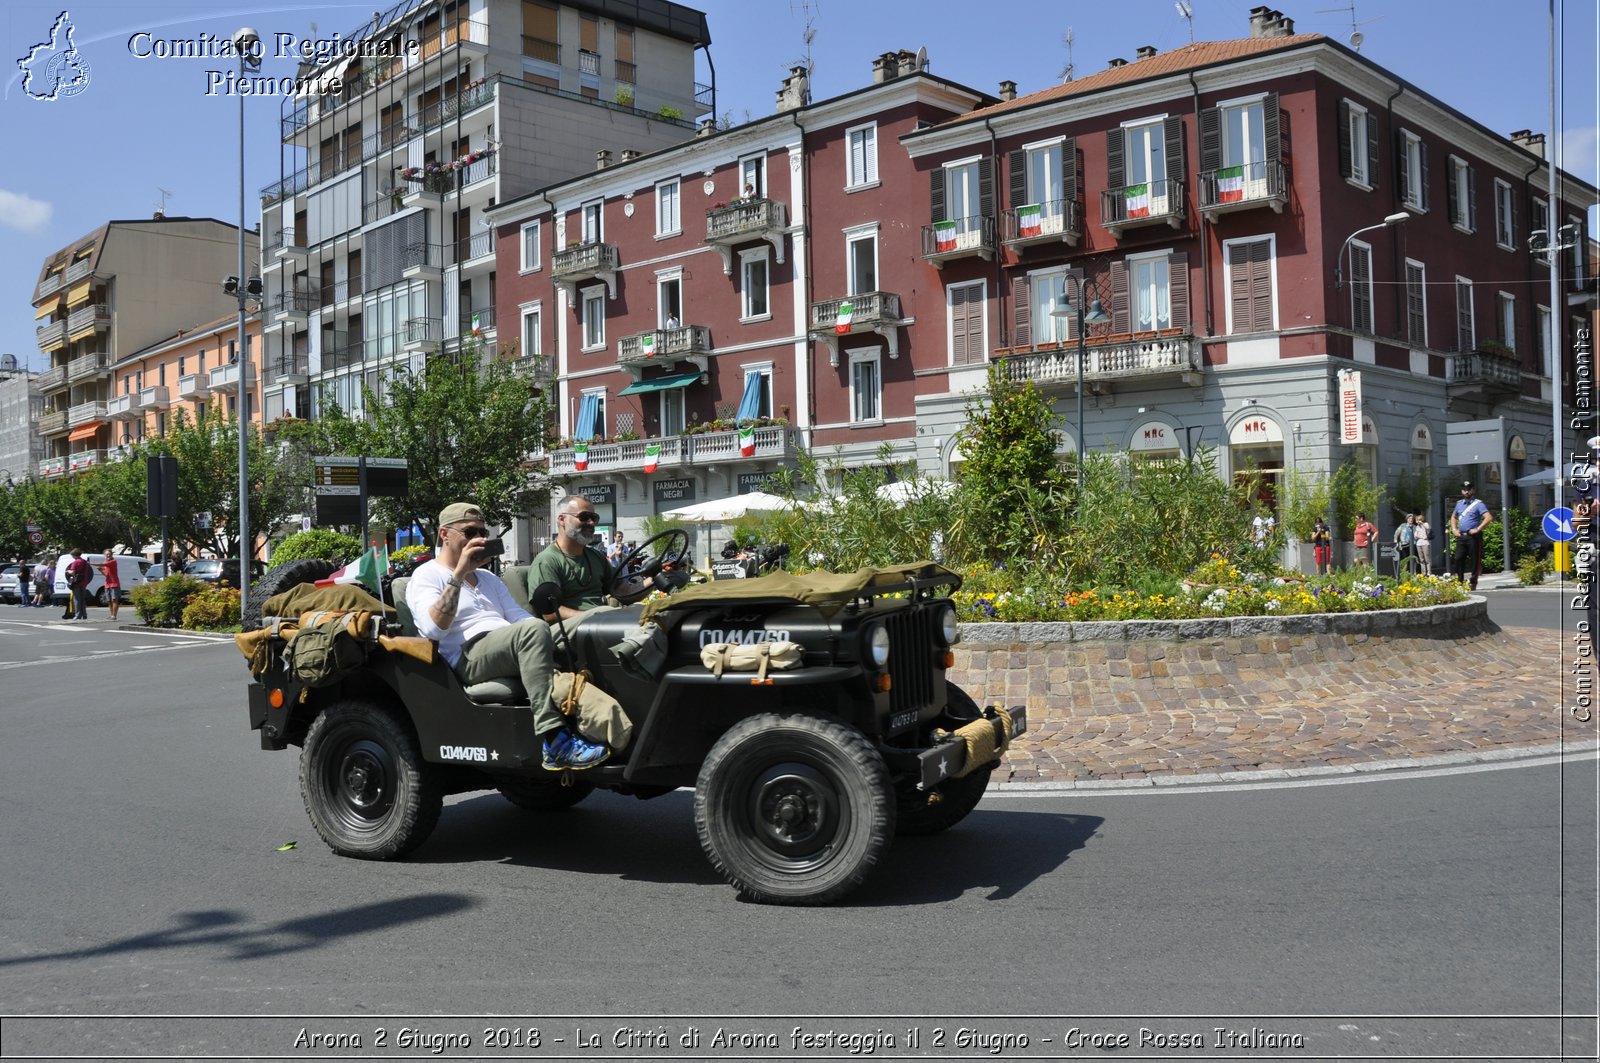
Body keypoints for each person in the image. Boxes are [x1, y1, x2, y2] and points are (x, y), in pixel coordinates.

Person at [406, 502, 607, 771]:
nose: (479, 539)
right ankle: (554, 739)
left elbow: (519, 617)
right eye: (470, 533)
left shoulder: (488, 577)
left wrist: (548, 635)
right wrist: (459, 574)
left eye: (482, 531)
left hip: (508, 644)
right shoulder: (426, 575)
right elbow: (433, 630)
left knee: (580, 628)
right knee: (534, 630)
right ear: (445, 534)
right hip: (469, 656)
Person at [526, 494, 664, 620]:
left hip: (601, 623)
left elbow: (622, 591)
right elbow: (550, 613)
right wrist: (597, 616)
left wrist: (655, 579)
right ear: (562, 519)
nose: (592, 523)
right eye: (584, 517)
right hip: (571, 630)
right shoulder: (547, 561)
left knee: (655, 616)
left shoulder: (595, 556)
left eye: (594, 518)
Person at [1450, 481, 1493, 590]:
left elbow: (1488, 517)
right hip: (1461, 536)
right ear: (1462, 491)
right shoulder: (1459, 504)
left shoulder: (1478, 504)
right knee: (1458, 558)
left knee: (1475, 560)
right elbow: (1453, 517)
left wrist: (1478, 529)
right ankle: (1459, 581)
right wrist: (1454, 529)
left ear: (1473, 490)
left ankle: (1473, 582)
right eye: (1464, 489)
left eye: (1469, 489)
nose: (1466, 491)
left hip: (1473, 536)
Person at [65, 548, 92, 620]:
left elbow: (73, 572)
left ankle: (77, 615)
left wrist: (68, 571)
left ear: (74, 555)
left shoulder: (75, 562)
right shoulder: (85, 562)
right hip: (84, 583)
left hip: (76, 583)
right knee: (82, 600)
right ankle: (84, 615)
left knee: (76, 599)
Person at [97, 552, 122, 620]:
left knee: (114, 599)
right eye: (107, 554)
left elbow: (102, 564)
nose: (108, 555)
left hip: (114, 583)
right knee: (109, 601)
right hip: (107, 584)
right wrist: (101, 570)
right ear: (104, 555)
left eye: (109, 554)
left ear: (112, 555)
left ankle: (114, 615)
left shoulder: (113, 561)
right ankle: (112, 615)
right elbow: (106, 574)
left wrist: (90, 563)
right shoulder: (105, 563)